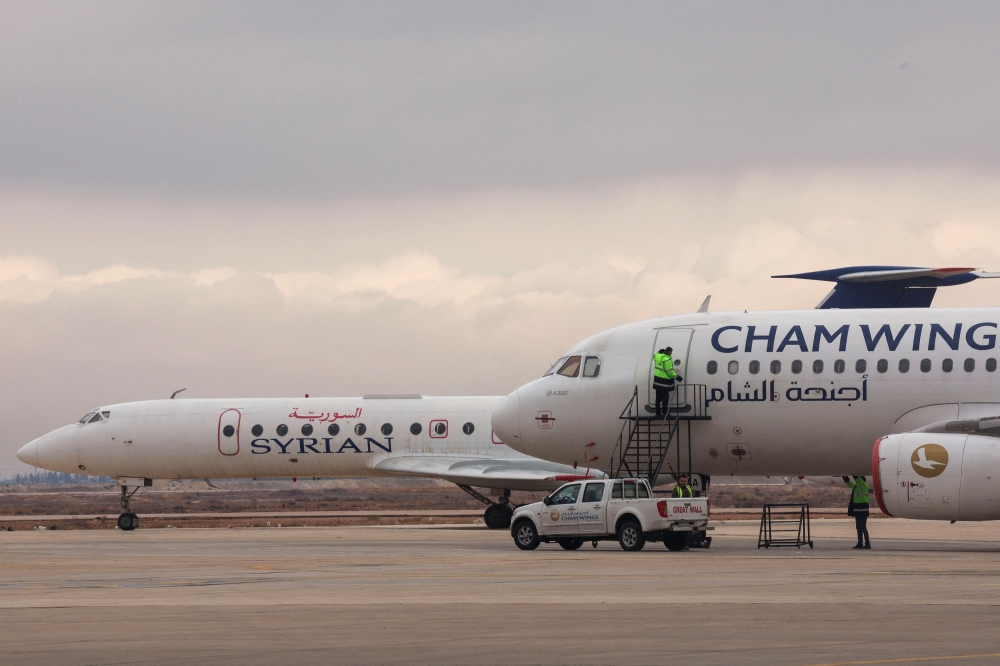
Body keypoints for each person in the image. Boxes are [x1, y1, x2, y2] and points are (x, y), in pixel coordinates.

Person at [843, 475, 871, 549]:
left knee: (863, 527)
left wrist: (853, 472)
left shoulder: (863, 485)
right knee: (858, 527)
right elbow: (849, 482)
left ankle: (867, 543)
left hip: (863, 509)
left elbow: (857, 478)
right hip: (857, 509)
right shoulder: (856, 486)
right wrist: (844, 476)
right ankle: (860, 543)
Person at [652, 347, 681, 417]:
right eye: (671, 352)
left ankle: (657, 413)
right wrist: (677, 377)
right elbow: (670, 372)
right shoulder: (667, 360)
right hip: (664, 382)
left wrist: (659, 352)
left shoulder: (658, 357)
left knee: (658, 398)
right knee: (665, 398)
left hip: (657, 381)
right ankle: (665, 413)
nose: (671, 353)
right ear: (668, 352)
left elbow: (654, 355)